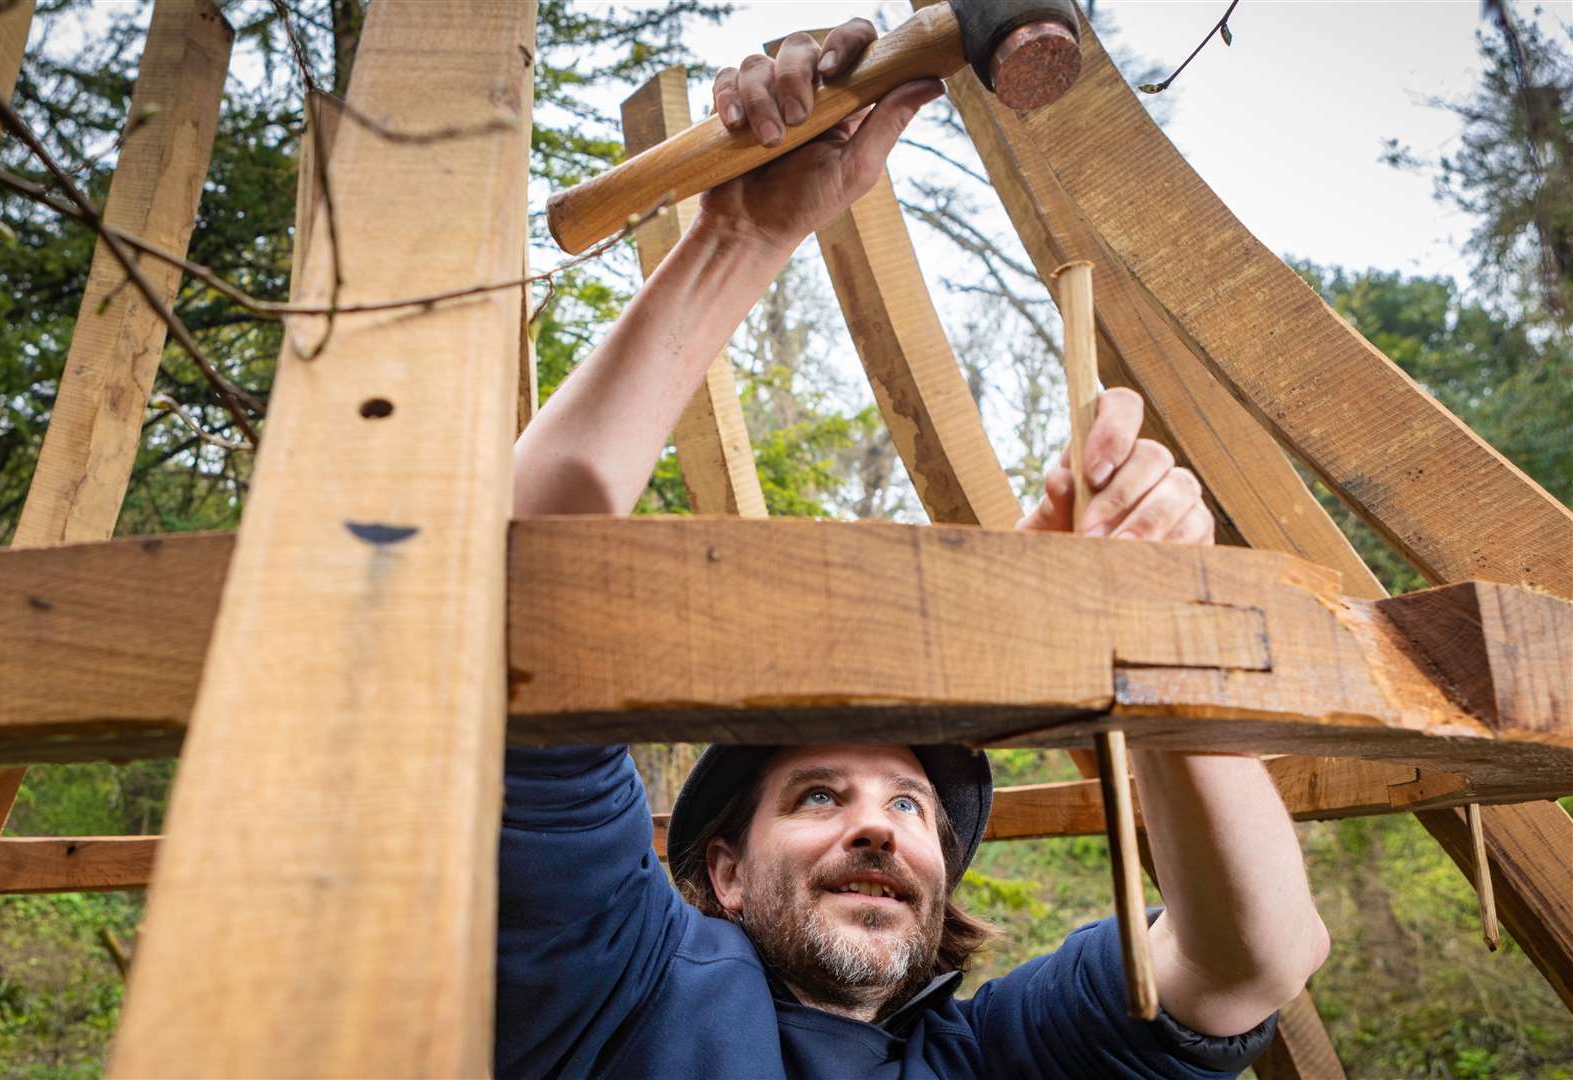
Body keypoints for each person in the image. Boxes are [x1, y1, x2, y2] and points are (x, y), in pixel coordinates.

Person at [502, 22, 1330, 1079]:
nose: (877, 829)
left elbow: (1253, 956)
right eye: (816, 796)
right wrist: (740, 236)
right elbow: (525, 574)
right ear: (724, 875)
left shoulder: (987, 1056)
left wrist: (1148, 626)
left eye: (908, 807)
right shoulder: (621, 982)